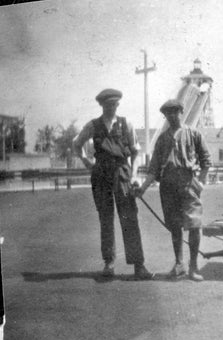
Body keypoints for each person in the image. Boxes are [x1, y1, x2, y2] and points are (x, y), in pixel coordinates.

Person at [73, 88, 153, 279]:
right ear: (102, 105)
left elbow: (135, 152)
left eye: (114, 105)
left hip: (122, 172)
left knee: (129, 218)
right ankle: (108, 263)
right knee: (106, 219)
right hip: (101, 174)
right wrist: (86, 161)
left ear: (118, 105)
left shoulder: (126, 124)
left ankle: (138, 265)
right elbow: (77, 143)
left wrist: (134, 176)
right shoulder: (93, 125)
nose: (112, 108)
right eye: (108, 105)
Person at [134, 99, 211, 281]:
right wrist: (143, 189)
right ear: (165, 116)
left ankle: (193, 266)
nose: (172, 116)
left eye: (175, 112)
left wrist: (200, 183)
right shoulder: (162, 139)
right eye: (168, 113)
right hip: (168, 185)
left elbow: (206, 161)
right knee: (175, 226)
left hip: (189, 183)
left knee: (194, 224)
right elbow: (153, 169)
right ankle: (179, 264)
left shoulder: (193, 134)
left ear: (181, 113)